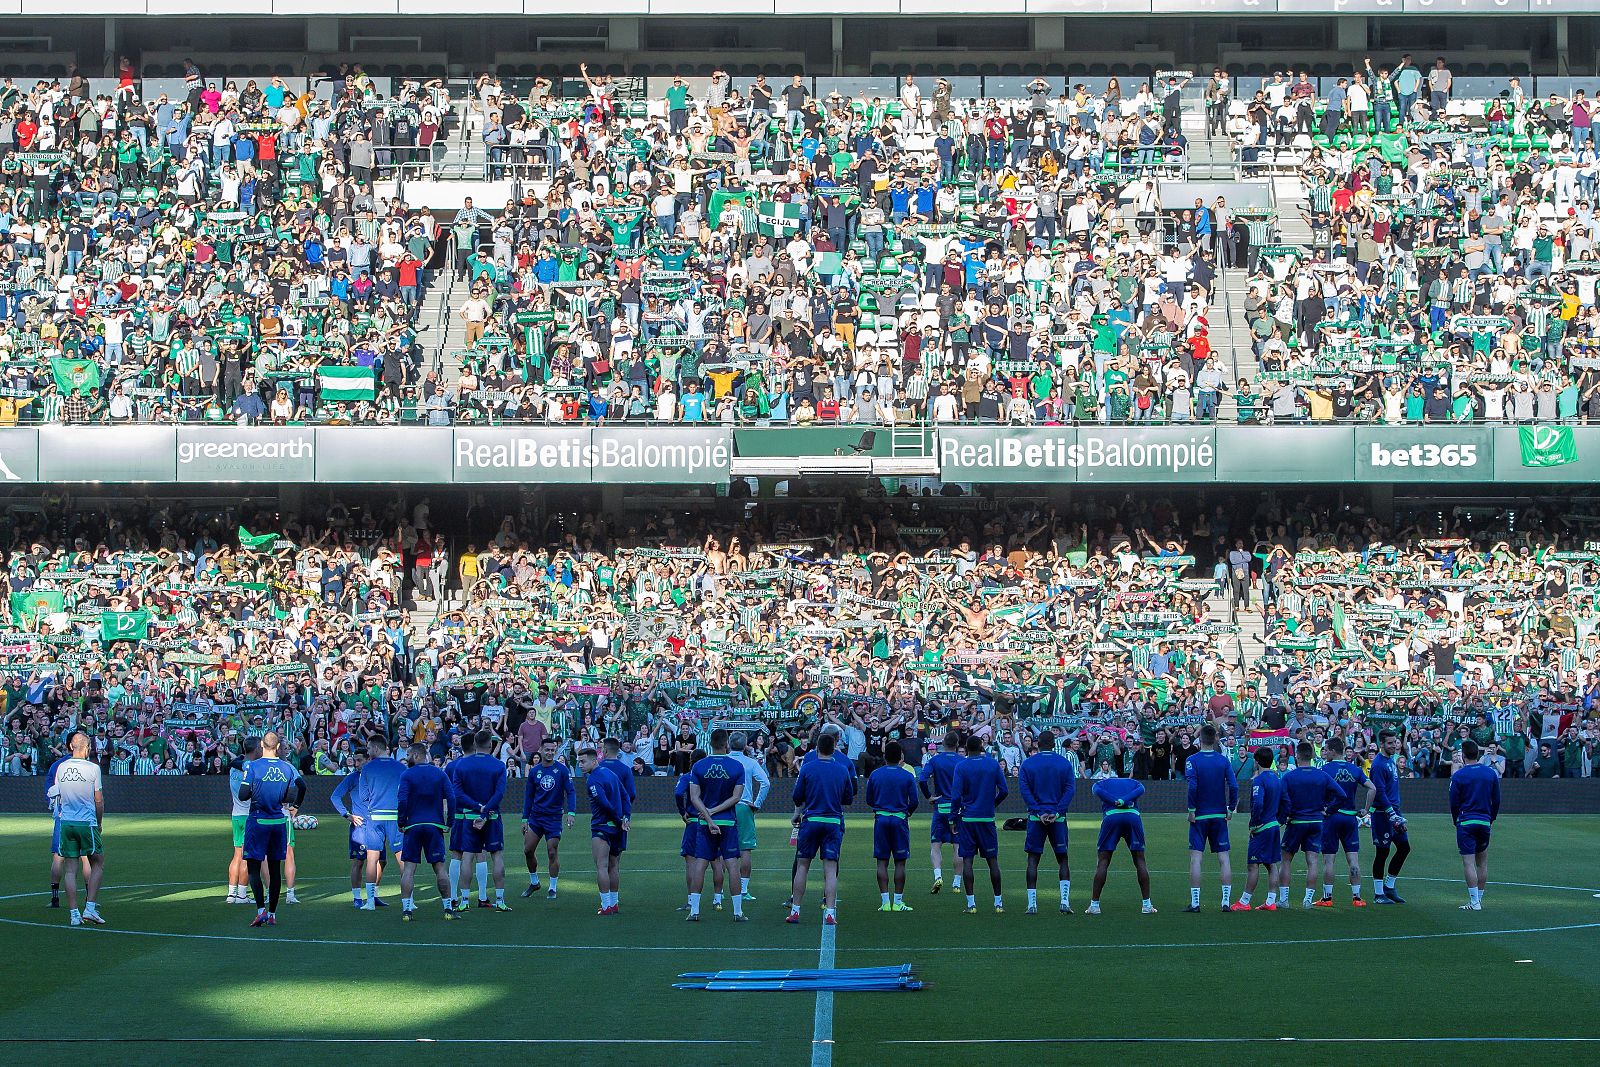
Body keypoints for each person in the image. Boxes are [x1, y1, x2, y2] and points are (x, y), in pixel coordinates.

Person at [236, 731, 305, 929]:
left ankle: (261, 911)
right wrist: (294, 804)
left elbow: (243, 795)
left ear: (261, 745)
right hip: (278, 822)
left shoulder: (252, 766)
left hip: (258, 821)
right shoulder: (287, 767)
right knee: (275, 870)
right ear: (277, 747)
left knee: (254, 869)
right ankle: (273, 914)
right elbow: (302, 786)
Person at [788, 729, 855, 925]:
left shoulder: (808, 768)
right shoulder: (842, 769)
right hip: (833, 821)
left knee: (802, 865)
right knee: (830, 868)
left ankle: (795, 910)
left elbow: (797, 796)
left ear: (817, 748)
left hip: (812, 819)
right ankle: (830, 912)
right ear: (834, 748)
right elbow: (848, 798)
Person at [685, 728, 747, 922]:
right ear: (726, 743)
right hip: (727, 821)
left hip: (704, 823)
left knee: (700, 864)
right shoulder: (737, 767)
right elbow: (736, 797)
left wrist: (708, 814)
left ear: (710, 743)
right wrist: (716, 811)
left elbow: (694, 798)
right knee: (732, 865)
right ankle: (737, 912)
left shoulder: (699, 766)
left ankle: (694, 910)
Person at [396, 742, 459, 922]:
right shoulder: (439, 773)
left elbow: (402, 801)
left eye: (409, 754)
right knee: (439, 867)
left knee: (408, 868)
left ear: (416, 756)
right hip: (434, 825)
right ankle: (448, 909)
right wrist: (450, 822)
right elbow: (452, 798)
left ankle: (407, 911)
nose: (407, 757)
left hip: (413, 825)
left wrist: (401, 822)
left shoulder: (407, 774)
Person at [49, 731, 106, 927]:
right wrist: (99, 823)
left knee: (70, 869)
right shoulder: (93, 768)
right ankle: (90, 907)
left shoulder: (61, 767)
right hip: (86, 822)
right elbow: (98, 800)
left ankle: (74, 914)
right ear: (88, 748)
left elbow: (56, 794)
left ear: (71, 746)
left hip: (66, 823)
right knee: (97, 862)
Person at [451, 729, 511, 912]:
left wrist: (477, 807)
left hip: (469, 817)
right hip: (491, 816)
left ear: (475, 744)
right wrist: (485, 811)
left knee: (467, 857)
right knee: (496, 855)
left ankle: (464, 901)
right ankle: (500, 900)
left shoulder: (461, 765)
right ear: (491, 745)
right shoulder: (499, 765)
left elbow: (457, 793)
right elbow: (499, 793)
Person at [1279, 741, 1341, 910]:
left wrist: (1283, 817)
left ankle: (1284, 900)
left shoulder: (1289, 776)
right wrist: (1329, 810)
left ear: (1297, 756)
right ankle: (1308, 900)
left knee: (1286, 859)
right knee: (1312, 861)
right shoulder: (1321, 775)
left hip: (1296, 821)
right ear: (1312, 755)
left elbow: (1282, 799)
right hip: (1315, 822)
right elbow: (1341, 795)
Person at [1018, 733, 1076, 914]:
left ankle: (1032, 905)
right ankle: (1064, 902)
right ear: (1054, 744)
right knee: (1063, 859)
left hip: (1036, 818)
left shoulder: (1028, 764)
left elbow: (1024, 790)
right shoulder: (1064, 763)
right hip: (1057, 818)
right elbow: (1070, 789)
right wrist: (1058, 811)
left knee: (1033, 859)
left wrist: (1037, 810)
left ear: (1038, 744)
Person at [952, 733, 1009, 914]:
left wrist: (953, 818)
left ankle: (971, 904)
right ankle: (998, 903)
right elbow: (1004, 790)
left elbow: (955, 796)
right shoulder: (992, 764)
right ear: (982, 747)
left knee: (968, 860)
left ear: (967, 749)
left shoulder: (961, 766)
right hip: (986, 819)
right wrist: (992, 804)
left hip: (968, 819)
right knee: (993, 861)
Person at [1317, 736, 1377, 907]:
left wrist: (1321, 807)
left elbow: (1318, 790)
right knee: (1353, 859)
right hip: (1350, 818)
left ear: (1333, 751)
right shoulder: (1355, 769)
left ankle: (1327, 898)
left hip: (1332, 817)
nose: (1324, 752)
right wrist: (1366, 809)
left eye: (1326, 749)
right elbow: (1373, 788)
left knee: (1329, 860)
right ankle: (1357, 898)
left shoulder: (1325, 769)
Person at [1184, 723, 1237, 912]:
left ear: (1199, 740)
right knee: (1224, 858)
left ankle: (1196, 902)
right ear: (1215, 739)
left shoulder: (1192, 760)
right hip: (1219, 815)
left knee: (1196, 858)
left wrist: (1191, 809)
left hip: (1200, 815)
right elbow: (1234, 786)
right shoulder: (1223, 761)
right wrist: (1231, 808)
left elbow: (1192, 786)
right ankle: (1225, 902)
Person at [1086, 768, 1155, 914]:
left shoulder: (1102, 783)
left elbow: (1097, 790)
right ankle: (1147, 905)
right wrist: (1124, 800)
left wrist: (1115, 801)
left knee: (1103, 861)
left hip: (1111, 817)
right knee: (1140, 860)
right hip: (1132, 817)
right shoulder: (1134, 782)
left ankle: (1094, 905)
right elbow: (1141, 789)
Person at [350, 735, 406, 910]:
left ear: (375, 748)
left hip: (375, 817)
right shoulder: (400, 766)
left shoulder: (367, 769)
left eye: (368, 748)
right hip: (395, 816)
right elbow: (405, 792)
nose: (367, 751)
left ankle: (370, 901)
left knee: (372, 858)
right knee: (402, 859)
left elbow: (363, 796)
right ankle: (408, 901)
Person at [866, 739, 919, 913]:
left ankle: (885, 902)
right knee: (900, 862)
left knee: (881, 861)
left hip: (881, 819)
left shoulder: (875, 774)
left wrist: (879, 809)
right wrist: (907, 812)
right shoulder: (907, 775)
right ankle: (897, 902)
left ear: (884, 756)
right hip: (899, 819)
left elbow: (869, 799)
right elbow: (915, 801)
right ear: (900, 757)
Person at [520, 736, 576, 900]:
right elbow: (528, 796)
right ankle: (534, 882)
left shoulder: (562, 770)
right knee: (528, 850)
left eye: (553, 750)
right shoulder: (534, 771)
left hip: (553, 818)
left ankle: (552, 887)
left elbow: (571, 792)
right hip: (536, 818)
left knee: (552, 851)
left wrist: (570, 812)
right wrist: (525, 818)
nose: (550, 752)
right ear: (541, 750)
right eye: (547, 750)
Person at [331, 749, 387, 908]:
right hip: (360, 827)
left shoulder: (378, 776)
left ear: (368, 760)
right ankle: (357, 898)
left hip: (378, 824)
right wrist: (347, 815)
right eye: (354, 760)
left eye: (359, 760)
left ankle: (373, 895)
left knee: (381, 861)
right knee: (360, 861)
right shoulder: (352, 778)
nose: (356, 764)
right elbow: (335, 796)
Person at [1449, 739, 1501, 911]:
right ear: (1477, 754)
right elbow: (1497, 800)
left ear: (1463, 755)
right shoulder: (1490, 773)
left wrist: (1455, 819)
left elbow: (1453, 802)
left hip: (1466, 821)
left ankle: (1474, 902)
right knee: (1482, 862)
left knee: (1468, 862)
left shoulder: (1459, 775)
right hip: (1484, 821)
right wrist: (1491, 818)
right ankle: (1479, 898)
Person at [1232, 746, 1284, 911]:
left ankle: (1245, 901)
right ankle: (1271, 901)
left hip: (1262, 828)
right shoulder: (1277, 779)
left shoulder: (1259, 780)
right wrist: (1280, 820)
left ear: (1256, 761)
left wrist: (1255, 823)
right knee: (1271, 863)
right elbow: (1286, 802)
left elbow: (1259, 803)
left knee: (1253, 864)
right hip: (1274, 825)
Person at [578, 747, 628, 915]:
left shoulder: (593, 780)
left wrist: (618, 820)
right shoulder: (610, 774)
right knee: (614, 866)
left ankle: (606, 906)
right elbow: (626, 796)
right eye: (579, 762)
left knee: (602, 866)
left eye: (583, 762)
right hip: (618, 828)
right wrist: (625, 818)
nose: (580, 765)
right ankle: (614, 904)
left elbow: (604, 804)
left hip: (602, 826)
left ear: (594, 761)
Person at [917, 731, 964, 895]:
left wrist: (929, 797)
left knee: (936, 845)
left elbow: (922, 779)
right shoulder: (962, 761)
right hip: (957, 809)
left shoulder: (935, 760)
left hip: (941, 807)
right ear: (957, 744)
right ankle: (957, 883)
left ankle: (938, 876)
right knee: (958, 846)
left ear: (943, 743)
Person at [1368, 730, 1411, 904]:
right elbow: (1379, 792)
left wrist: (1396, 813)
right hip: (1383, 814)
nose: (1394, 745)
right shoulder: (1378, 764)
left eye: (1395, 742)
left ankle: (1389, 887)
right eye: (1390, 743)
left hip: (1394, 812)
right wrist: (1391, 813)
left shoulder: (1391, 761)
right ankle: (1379, 894)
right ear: (1382, 744)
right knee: (1382, 852)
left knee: (1404, 848)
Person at [728, 731, 771, 906]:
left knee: (724, 848)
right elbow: (766, 782)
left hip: (723, 808)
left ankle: (721, 890)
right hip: (744, 806)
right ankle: (743, 890)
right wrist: (757, 802)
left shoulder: (723, 761)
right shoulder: (750, 762)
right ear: (745, 745)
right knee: (745, 849)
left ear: (729, 744)